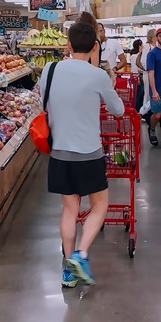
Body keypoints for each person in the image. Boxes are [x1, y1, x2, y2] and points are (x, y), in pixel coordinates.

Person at [39, 22, 125, 287]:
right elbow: (119, 110)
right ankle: (81, 255)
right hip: (89, 153)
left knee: (69, 210)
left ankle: (67, 271)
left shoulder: (50, 69)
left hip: (60, 152)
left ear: (67, 44)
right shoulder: (97, 75)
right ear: (95, 46)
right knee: (99, 206)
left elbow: (45, 100)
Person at [137, 29, 156, 117]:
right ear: (152, 37)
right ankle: (144, 114)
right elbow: (143, 61)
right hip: (148, 74)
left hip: (154, 75)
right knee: (148, 95)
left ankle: (149, 113)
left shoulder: (155, 46)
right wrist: (149, 70)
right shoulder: (147, 46)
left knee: (152, 95)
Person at [130, 39, 144, 109]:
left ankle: (139, 111)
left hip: (142, 77)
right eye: (142, 45)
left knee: (141, 95)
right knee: (137, 96)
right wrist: (137, 78)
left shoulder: (139, 55)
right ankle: (135, 110)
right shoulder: (134, 56)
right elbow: (134, 68)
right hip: (137, 78)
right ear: (139, 46)